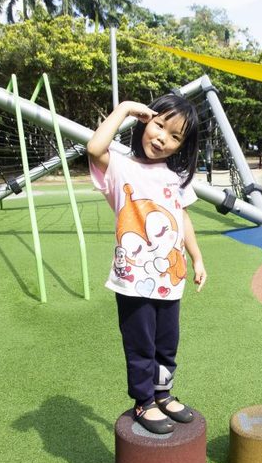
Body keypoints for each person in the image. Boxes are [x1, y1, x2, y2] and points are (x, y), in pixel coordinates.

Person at [87, 95, 207, 434]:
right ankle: (143, 402)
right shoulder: (121, 166)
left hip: (170, 278)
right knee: (141, 343)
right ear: (145, 121)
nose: (162, 138)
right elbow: (95, 147)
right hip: (134, 278)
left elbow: (182, 219)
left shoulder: (175, 177)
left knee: (167, 343)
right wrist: (125, 108)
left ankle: (163, 394)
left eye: (174, 136)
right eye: (159, 125)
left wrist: (197, 257)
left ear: (183, 145)